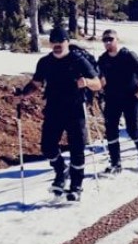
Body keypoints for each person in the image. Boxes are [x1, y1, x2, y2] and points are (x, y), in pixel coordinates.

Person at [16, 27, 101, 201]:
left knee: (77, 148)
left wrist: (86, 82)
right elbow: (36, 83)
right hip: (54, 108)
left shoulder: (78, 60)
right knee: (47, 146)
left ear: (67, 42)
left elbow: (97, 84)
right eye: (53, 42)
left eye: (60, 42)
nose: (56, 46)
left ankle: (76, 186)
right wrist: (23, 94)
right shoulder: (45, 62)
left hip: (76, 108)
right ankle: (61, 170)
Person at [97, 29, 138, 174]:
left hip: (130, 97)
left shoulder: (128, 55)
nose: (108, 42)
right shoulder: (103, 59)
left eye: (110, 39)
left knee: (132, 129)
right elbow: (99, 77)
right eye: (105, 40)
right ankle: (115, 163)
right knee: (111, 130)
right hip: (112, 98)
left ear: (117, 40)